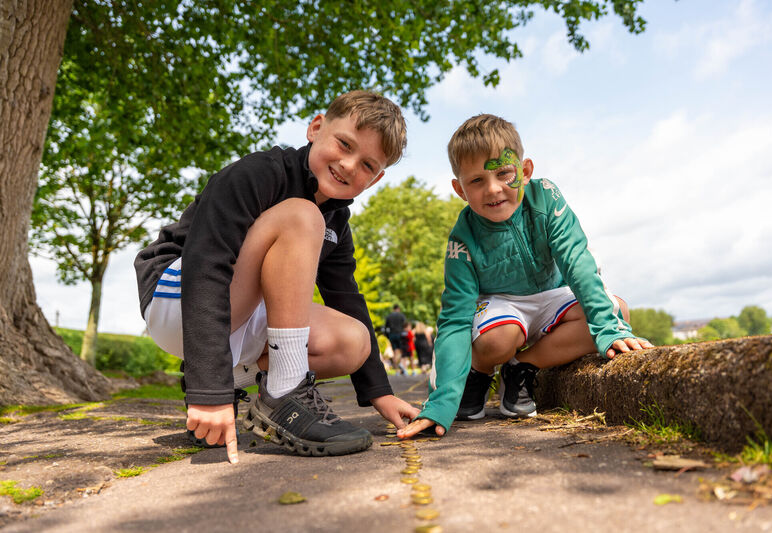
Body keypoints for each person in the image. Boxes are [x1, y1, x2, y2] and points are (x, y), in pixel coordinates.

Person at [135, 91, 419, 463]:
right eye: (344, 144)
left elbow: (346, 298)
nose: (349, 165)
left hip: (238, 313)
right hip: (179, 297)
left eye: (367, 165)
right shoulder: (260, 173)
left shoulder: (336, 221)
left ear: (376, 178)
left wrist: (380, 393)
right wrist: (209, 391)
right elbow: (207, 265)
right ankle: (285, 391)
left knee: (354, 339)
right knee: (301, 216)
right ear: (316, 128)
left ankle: (240, 378)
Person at [398, 114, 653, 439]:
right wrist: (440, 402)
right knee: (500, 337)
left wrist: (607, 326)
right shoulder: (462, 239)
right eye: (476, 181)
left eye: (504, 173)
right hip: (500, 305)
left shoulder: (546, 198)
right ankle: (478, 374)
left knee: (618, 312)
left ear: (525, 171)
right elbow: (454, 320)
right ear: (459, 189)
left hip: (553, 294)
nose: (493, 189)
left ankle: (522, 368)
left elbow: (577, 261)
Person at [384, 304, 407, 372]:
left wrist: (388, 336)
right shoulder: (401, 316)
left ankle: (396, 369)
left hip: (392, 335)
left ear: (393, 309)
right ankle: (400, 364)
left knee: (394, 352)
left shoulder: (389, 316)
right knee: (401, 351)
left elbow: (386, 327)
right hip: (400, 335)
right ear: (398, 308)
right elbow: (405, 325)